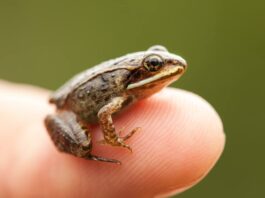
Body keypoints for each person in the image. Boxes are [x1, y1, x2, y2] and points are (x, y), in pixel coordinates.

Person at [0, 80, 225, 197]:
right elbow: (103, 112)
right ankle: (87, 151)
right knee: (83, 144)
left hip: (69, 94)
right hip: (72, 111)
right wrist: (114, 139)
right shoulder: (121, 94)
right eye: (153, 65)